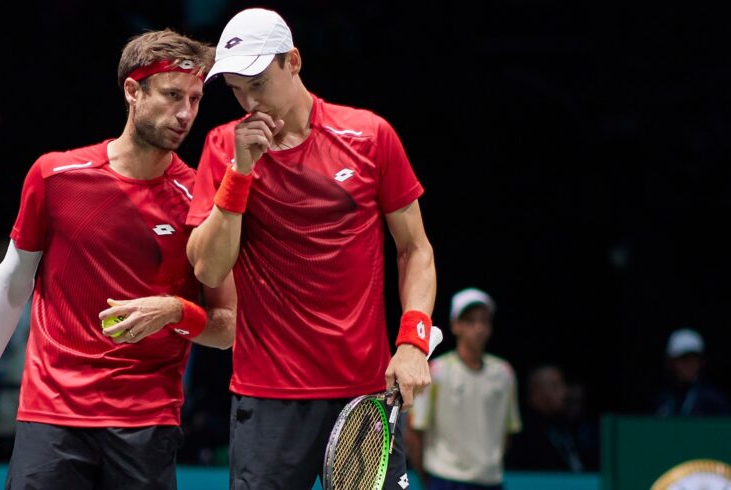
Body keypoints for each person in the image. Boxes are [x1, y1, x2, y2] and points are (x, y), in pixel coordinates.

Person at [0, 30, 235, 490]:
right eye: (171, 95)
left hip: (147, 424)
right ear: (132, 90)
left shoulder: (201, 200)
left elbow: (228, 327)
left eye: (195, 98)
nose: (186, 113)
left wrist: (173, 311)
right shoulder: (55, 176)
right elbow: (14, 278)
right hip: (52, 416)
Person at [186, 8, 436, 489]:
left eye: (257, 83)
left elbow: (415, 250)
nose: (248, 101)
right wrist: (240, 172)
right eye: (236, 89)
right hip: (268, 398)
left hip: (365, 396)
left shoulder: (368, 135)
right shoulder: (224, 148)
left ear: (293, 61)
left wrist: (412, 342)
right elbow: (210, 269)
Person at [407, 288, 521, 490]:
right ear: (455, 325)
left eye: (484, 321)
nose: (478, 327)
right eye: (470, 321)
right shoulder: (435, 371)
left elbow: (508, 431)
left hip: (490, 481)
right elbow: (415, 431)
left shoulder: (505, 374)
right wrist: (428, 481)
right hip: (444, 479)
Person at [508, 365, 591, 472]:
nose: (564, 392)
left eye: (563, 385)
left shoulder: (566, 426)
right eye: (555, 386)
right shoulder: (521, 431)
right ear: (537, 392)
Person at [653, 328, 730, 417]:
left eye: (695, 360)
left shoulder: (713, 401)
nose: (690, 365)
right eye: (684, 359)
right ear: (671, 362)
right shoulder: (662, 399)